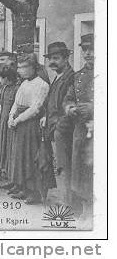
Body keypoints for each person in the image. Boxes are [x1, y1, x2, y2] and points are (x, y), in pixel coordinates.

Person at [8, 53, 54, 205]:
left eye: (23, 67)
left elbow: (35, 108)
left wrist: (18, 119)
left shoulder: (42, 84)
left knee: (31, 157)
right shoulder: (24, 83)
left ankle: (35, 192)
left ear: (33, 68)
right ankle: (23, 187)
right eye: (19, 67)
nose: (19, 70)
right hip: (20, 123)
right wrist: (11, 116)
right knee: (20, 156)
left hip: (31, 125)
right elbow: (16, 102)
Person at [64, 33, 94, 221]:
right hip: (81, 130)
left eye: (93, 49)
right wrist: (70, 108)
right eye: (85, 50)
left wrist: (94, 107)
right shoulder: (78, 76)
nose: (89, 54)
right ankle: (86, 208)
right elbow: (68, 97)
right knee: (80, 170)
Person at [41, 42, 74, 206]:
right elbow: (51, 102)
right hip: (52, 127)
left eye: (56, 58)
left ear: (66, 58)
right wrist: (45, 116)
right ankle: (63, 198)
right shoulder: (57, 76)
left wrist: (58, 126)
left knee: (63, 166)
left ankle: (67, 202)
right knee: (55, 164)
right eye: (50, 58)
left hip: (62, 130)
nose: (52, 62)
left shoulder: (70, 77)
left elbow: (67, 104)